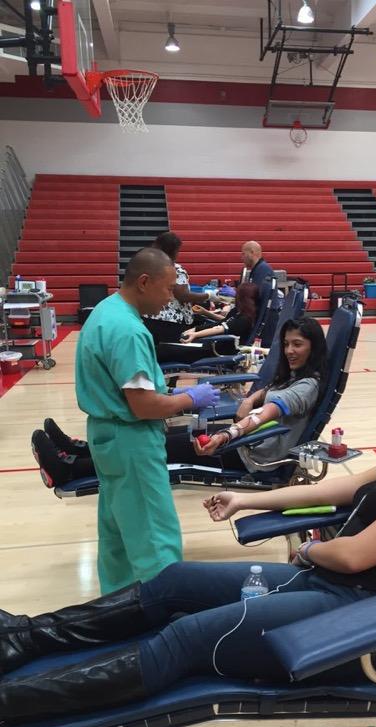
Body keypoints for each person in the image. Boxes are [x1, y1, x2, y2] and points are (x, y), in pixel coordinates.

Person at [1, 374, 376, 727]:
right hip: (326, 585)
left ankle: (12, 701)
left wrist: (311, 552)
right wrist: (245, 500)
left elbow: (354, 556)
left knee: (186, 637)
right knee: (176, 582)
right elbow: (328, 493)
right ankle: (24, 637)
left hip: (356, 616)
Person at [74, 247, 220, 595]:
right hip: (131, 440)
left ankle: (117, 602)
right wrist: (190, 399)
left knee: (119, 531)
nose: (171, 297)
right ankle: (165, 618)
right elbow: (143, 405)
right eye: (168, 289)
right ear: (143, 282)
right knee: (155, 535)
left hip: (107, 437)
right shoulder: (127, 331)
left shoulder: (105, 312)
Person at [32, 316, 328, 485]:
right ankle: (78, 451)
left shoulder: (306, 386)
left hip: (248, 456)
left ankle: (69, 469)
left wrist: (227, 433)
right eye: (287, 344)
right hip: (244, 443)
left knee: (150, 450)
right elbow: (269, 395)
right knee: (154, 438)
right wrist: (252, 398)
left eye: (297, 345)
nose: (289, 350)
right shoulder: (292, 375)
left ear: (313, 348)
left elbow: (267, 414)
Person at [142, 231, 209, 344]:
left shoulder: (147, 266)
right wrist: (208, 295)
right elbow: (183, 295)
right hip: (171, 322)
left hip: (149, 318)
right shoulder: (175, 269)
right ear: (174, 251)